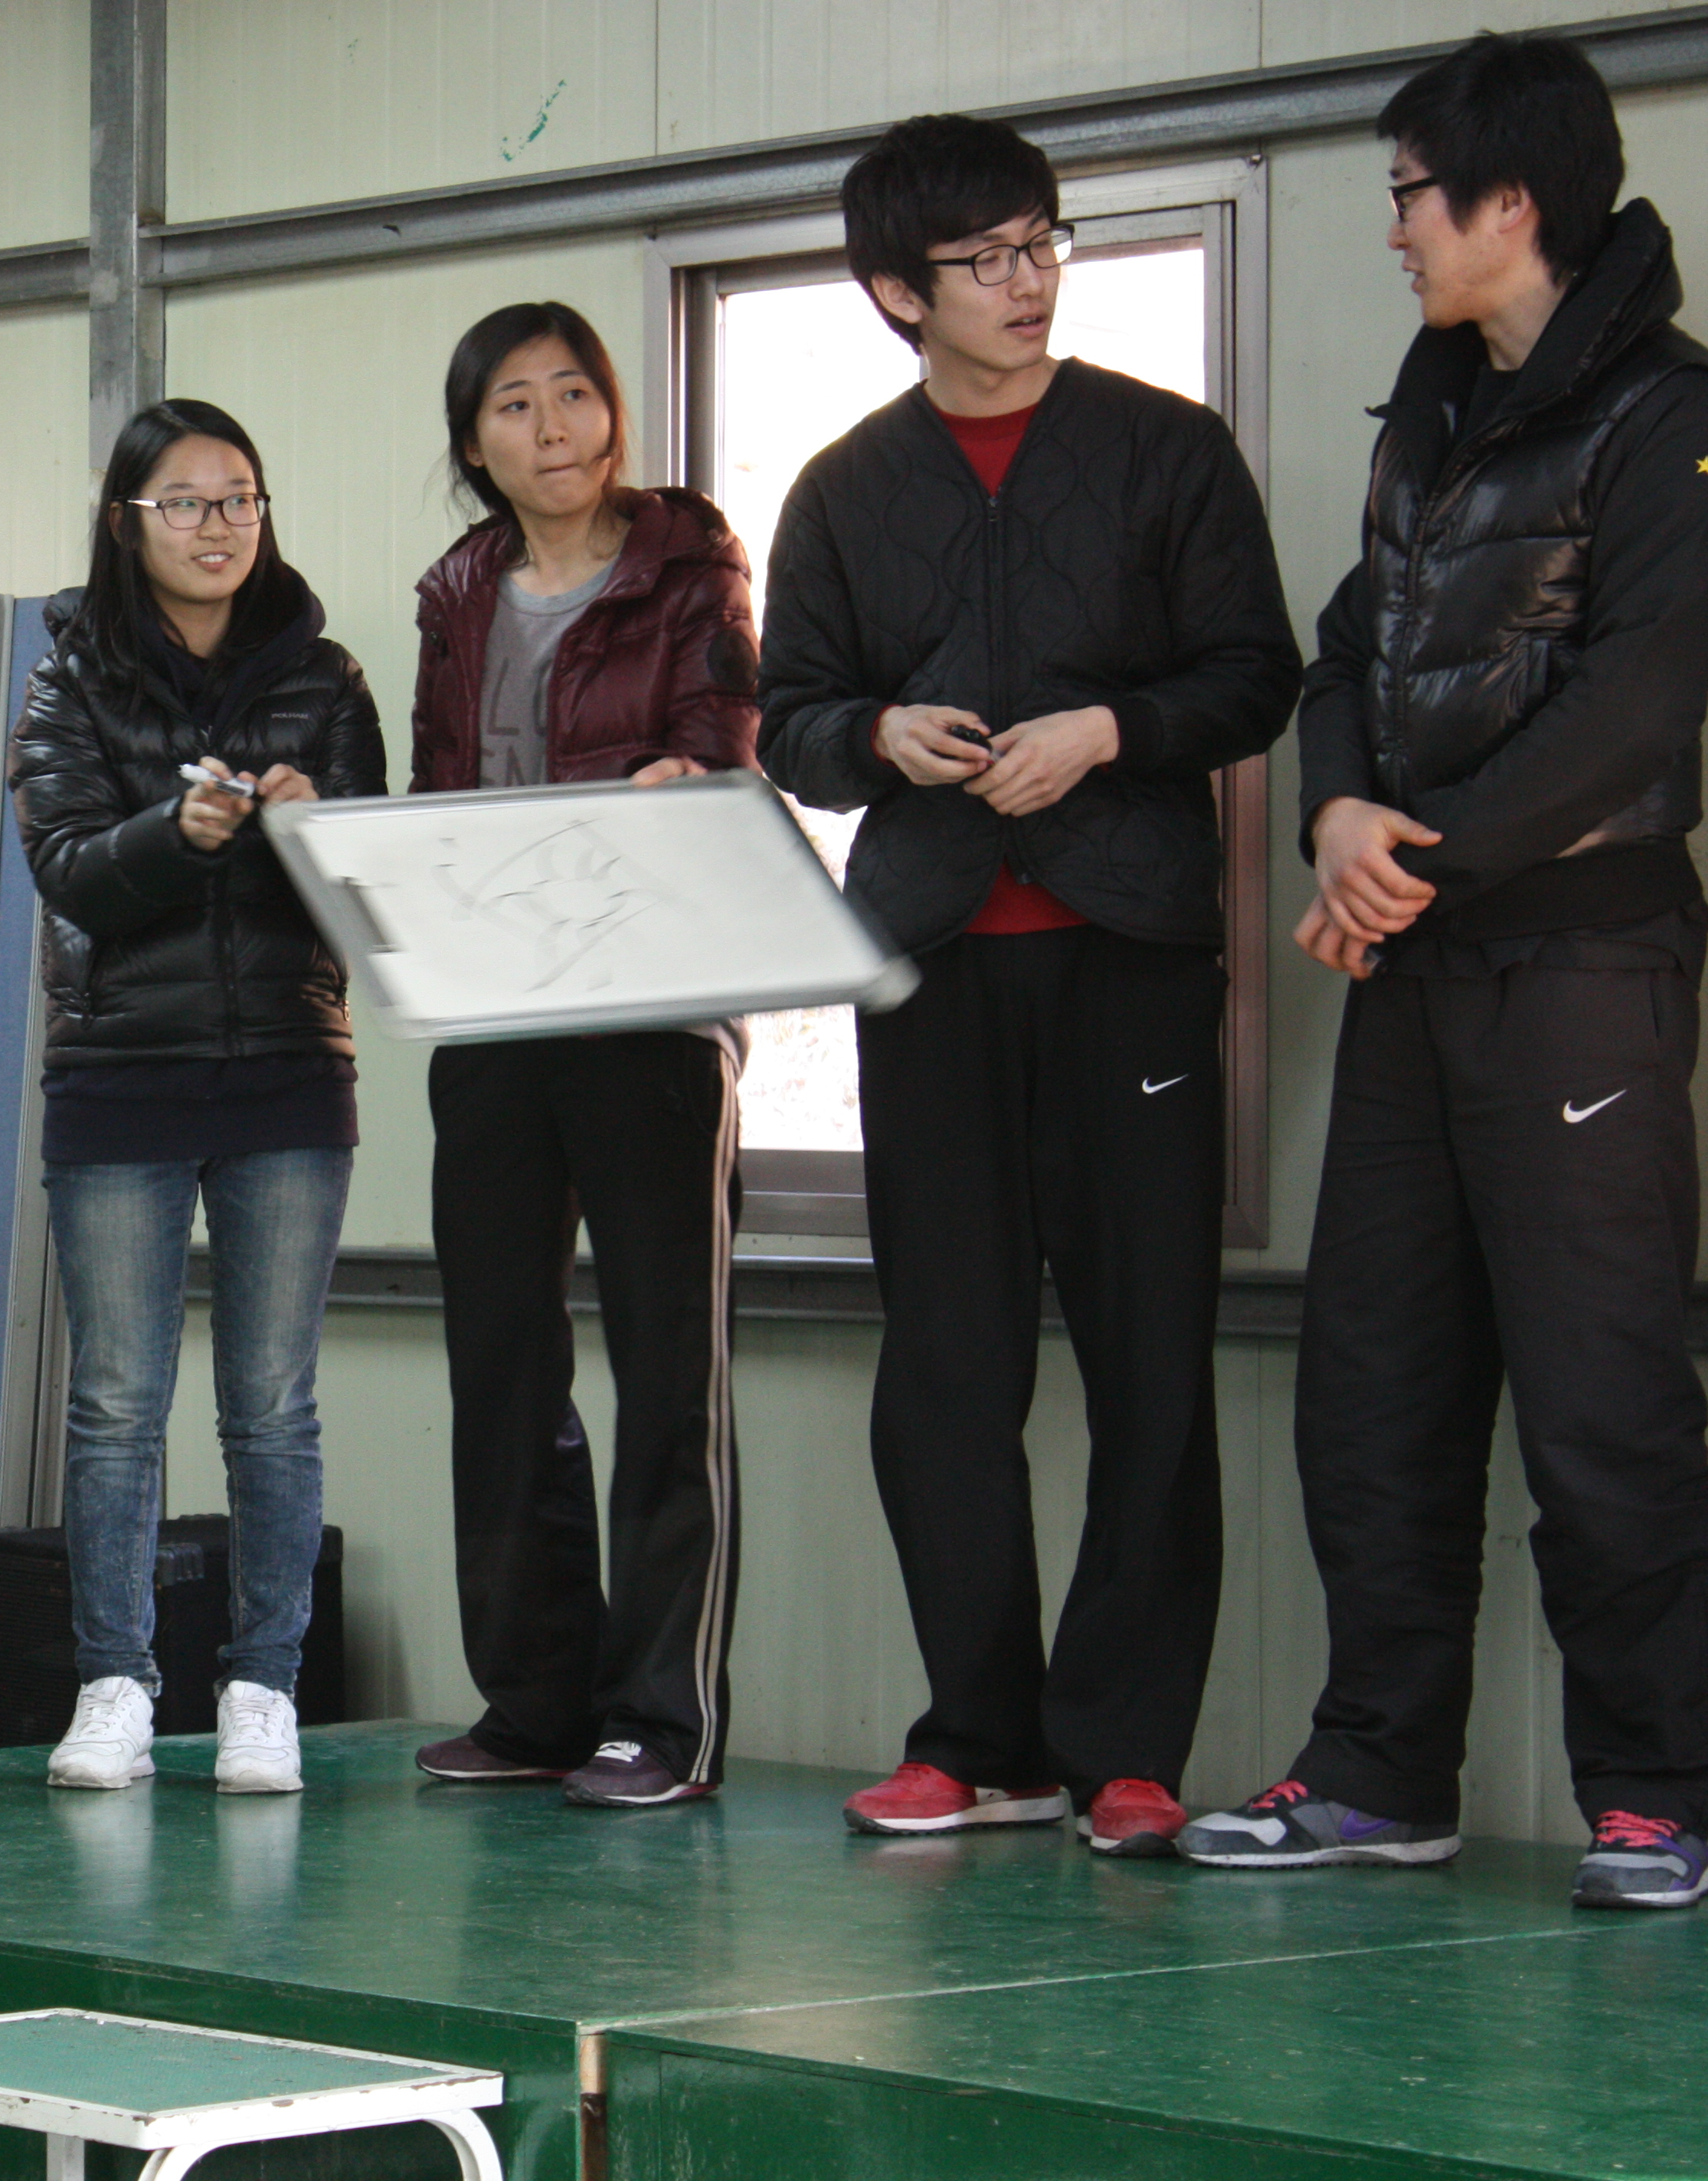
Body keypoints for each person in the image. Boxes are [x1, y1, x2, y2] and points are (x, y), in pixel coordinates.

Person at [1177, 35, 1708, 1910]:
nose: (1393, 229)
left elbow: (1644, 697)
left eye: (1410, 192)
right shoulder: (1434, 411)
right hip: (1417, 957)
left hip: (1580, 958)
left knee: (1604, 1392)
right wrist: (1337, 815)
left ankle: (1662, 1791)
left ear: (1511, 202)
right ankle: (1377, 1771)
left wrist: (1417, 862)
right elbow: (1346, 652)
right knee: (1375, 1386)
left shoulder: (1667, 414)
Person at [758, 114, 1301, 1855]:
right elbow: (790, 723)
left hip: (1131, 962)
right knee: (946, 1364)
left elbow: (1258, 676)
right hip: (926, 975)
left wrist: (1110, 730)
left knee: (1151, 1357)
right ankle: (978, 1740)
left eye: (1042, 241)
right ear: (896, 292)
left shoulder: (1167, 449)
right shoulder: (843, 486)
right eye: (986, 257)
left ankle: (1127, 1748)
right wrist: (877, 736)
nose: (1028, 279)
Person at [400, 301, 764, 1811]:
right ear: (473, 440)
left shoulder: (690, 563)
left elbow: (725, 731)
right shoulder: (457, 592)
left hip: (652, 1006)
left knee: (666, 1368)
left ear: (613, 412)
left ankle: (660, 1718)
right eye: (514, 404)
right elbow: (434, 788)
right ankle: (535, 1698)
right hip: (497, 1010)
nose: (551, 428)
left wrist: (685, 777)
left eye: (574, 394)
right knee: (500, 1363)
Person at [11, 397, 386, 1797]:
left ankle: (263, 1689)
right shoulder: (68, 680)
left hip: (289, 1068)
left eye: (240, 498)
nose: (220, 526)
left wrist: (306, 834)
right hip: (121, 1074)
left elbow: (373, 890)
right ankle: (113, 1683)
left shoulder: (326, 679)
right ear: (128, 523)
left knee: (272, 1406)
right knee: (116, 1402)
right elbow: (67, 869)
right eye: (186, 502)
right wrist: (176, 833)